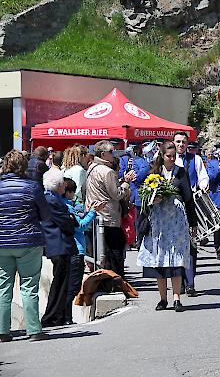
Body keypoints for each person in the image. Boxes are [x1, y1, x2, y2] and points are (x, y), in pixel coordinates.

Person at [137, 141, 197, 313]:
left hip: (176, 221)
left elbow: (188, 198)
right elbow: (141, 192)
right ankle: (163, 298)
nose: (172, 159)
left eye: (174, 156)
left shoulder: (180, 172)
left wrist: (193, 223)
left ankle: (177, 297)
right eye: (168, 156)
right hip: (159, 222)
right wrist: (151, 199)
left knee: (176, 259)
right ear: (162, 156)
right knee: (160, 260)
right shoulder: (154, 173)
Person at [0, 150, 51, 342]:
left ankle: (2, 331)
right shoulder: (32, 187)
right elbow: (45, 215)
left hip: (2, 242)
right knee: (29, 286)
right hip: (28, 241)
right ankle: (33, 330)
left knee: (3, 286)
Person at [85, 140, 136, 278]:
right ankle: (116, 283)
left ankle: (107, 281)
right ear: (103, 154)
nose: (113, 154)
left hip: (96, 216)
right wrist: (126, 183)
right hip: (108, 218)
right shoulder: (107, 171)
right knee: (115, 253)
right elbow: (117, 194)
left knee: (102, 253)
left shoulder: (92, 167)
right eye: (111, 152)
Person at [62, 178, 104, 325]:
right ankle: (66, 317)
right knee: (73, 286)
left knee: (67, 285)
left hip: (67, 250)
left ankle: (65, 316)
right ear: (68, 192)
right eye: (72, 192)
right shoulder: (68, 208)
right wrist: (92, 213)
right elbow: (80, 226)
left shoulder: (63, 206)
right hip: (76, 250)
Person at [41, 169, 78, 328]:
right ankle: (51, 317)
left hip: (60, 244)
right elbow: (67, 223)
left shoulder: (54, 199)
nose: (65, 185)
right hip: (59, 244)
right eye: (62, 182)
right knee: (60, 283)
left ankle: (59, 315)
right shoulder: (52, 201)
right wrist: (70, 219)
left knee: (63, 282)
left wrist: (71, 219)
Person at [174, 131, 209, 297]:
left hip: (191, 206)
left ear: (187, 144)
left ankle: (190, 283)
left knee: (191, 246)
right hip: (173, 209)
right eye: (178, 141)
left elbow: (202, 176)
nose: (181, 145)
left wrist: (204, 185)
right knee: (175, 245)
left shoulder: (195, 159)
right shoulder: (168, 160)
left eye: (183, 142)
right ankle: (178, 282)